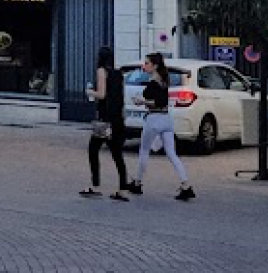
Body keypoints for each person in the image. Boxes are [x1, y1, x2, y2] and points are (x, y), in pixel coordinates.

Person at [129, 52, 196, 201]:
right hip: (166, 119)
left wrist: (142, 101)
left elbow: (158, 102)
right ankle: (185, 184)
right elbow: (163, 102)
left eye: (147, 63)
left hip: (154, 119)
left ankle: (137, 183)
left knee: (144, 150)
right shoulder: (164, 80)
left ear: (155, 65)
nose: (144, 66)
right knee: (171, 153)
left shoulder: (154, 82)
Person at [81, 46, 129, 201]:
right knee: (117, 154)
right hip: (117, 118)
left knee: (93, 149)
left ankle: (95, 185)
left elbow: (102, 94)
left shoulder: (101, 71)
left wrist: (90, 92)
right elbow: (120, 97)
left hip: (105, 119)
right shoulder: (118, 74)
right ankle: (122, 188)